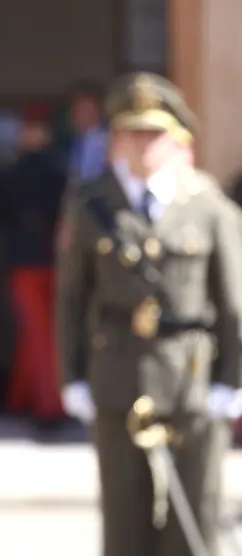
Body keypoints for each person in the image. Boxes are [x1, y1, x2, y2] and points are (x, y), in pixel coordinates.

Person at [56, 72, 242, 556]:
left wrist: (233, 381)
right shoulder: (91, 204)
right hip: (119, 374)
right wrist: (73, 376)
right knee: (124, 520)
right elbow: (73, 297)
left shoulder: (209, 207)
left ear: (178, 140)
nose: (142, 145)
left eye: (154, 134)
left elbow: (234, 302)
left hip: (192, 378)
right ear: (114, 139)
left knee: (194, 516)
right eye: (131, 132)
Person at [0, 101, 68, 426]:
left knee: (40, 334)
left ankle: (47, 406)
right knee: (38, 333)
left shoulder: (46, 169)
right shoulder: (48, 169)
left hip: (39, 258)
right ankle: (31, 398)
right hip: (31, 258)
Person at [66, 80, 109, 183]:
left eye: (84, 108)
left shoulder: (108, 139)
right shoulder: (68, 141)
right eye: (76, 108)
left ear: (97, 110)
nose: (78, 114)